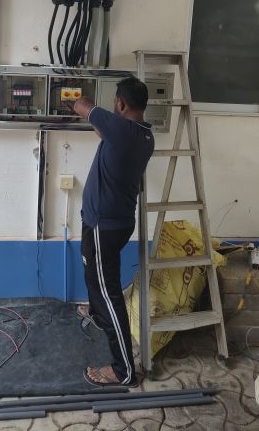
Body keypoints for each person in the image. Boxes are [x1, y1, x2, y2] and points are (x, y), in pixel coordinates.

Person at [72, 76, 154, 388]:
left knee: (109, 294)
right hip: (114, 223)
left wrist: (72, 95)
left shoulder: (120, 130)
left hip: (103, 226)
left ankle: (123, 371)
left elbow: (83, 106)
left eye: (115, 102)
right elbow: (103, 129)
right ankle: (96, 311)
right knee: (99, 279)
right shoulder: (143, 135)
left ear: (120, 103)